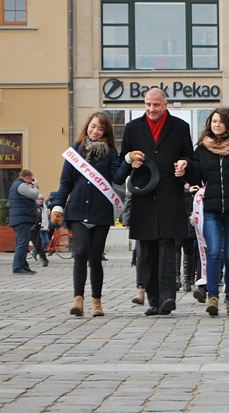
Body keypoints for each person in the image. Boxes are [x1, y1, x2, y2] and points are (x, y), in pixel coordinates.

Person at [115, 88, 194, 316]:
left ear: (165, 104)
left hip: (170, 196)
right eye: (148, 104)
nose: (151, 109)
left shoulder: (180, 127)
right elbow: (122, 165)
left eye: (156, 105)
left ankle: (168, 297)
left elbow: (190, 157)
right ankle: (153, 300)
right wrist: (131, 162)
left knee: (167, 248)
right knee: (147, 251)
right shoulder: (133, 128)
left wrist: (184, 165)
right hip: (144, 197)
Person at [50, 112, 122, 317]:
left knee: (96, 257)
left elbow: (118, 177)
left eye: (100, 128)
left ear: (106, 131)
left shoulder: (111, 154)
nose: (95, 131)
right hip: (78, 211)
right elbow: (65, 183)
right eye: (93, 126)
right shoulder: (75, 152)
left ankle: (96, 302)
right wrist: (57, 206)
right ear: (87, 127)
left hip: (100, 212)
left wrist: (127, 160)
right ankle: (78, 300)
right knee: (80, 254)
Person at [187, 107, 229, 317]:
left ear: (228, 124)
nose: (216, 125)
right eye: (213, 121)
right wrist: (186, 169)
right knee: (214, 252)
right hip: (211, 209)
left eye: (220, 121)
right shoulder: (202, 149)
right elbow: (196, 176)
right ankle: (213, 297)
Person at [9, 169, 40, 275]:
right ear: (27, 178)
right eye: (31, 179)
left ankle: (23, 266)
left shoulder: (17, 184)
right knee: (22, 243)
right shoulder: (22, 186)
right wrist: (35, 185)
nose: (31, 181)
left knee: (22, 242)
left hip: (20, 218)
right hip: (22, 218)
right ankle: (18, 267)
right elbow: (35, 195)